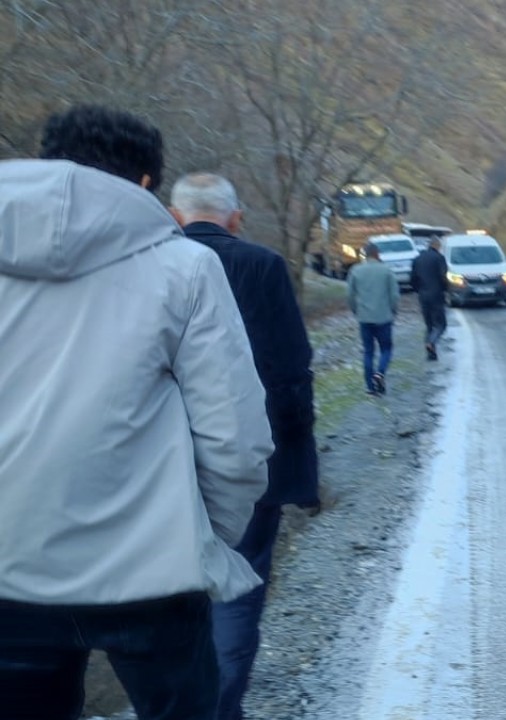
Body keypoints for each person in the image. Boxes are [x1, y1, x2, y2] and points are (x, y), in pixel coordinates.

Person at [0, 105, 272, 719]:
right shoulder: (187, 269)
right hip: (153, 570)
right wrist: (207, 538)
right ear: (148, 184)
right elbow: (235, 435)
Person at [169, 173, 320, 720]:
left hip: (160, 465)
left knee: (168, 600)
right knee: (237, 593)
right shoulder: (262, 265)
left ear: (174, 214)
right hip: (252, 463)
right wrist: (299, 459)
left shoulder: (144, 263)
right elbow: (289, 367)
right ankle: (220, 708)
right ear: (234, 217)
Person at [348, 243, 399, 394]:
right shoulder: (386, 270)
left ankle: (370, 386)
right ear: (377, 254)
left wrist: (356, 310)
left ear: (365, 254)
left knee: (368, 351)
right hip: (383, 317)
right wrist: (393, 311)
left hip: (364, 318)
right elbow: (394, 295)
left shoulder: (356, 271)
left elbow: (350, 295)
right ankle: (380, 373)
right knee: (386, 349)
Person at [411, 236, 449, 361]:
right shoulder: (439, 258)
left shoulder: (417, 259)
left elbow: (412, 279)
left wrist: (418, 290)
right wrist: (446, 290)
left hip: (423, 295)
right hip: (437, 295)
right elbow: (443, 277)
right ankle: (431, 342)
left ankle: (431, 354)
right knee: (441, 324)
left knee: (429, 325)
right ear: (437, 245)